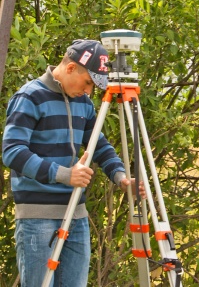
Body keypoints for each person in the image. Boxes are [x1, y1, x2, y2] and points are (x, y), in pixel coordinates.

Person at [2, 39, 146, 286]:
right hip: (37, 218)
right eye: (88, 82)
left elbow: (100, 148)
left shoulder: (83, 103)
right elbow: (12, 152)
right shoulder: (29, 96)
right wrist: (64, 174)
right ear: (70, 68)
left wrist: (122, 179)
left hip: (76, 215)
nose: (89, 91)